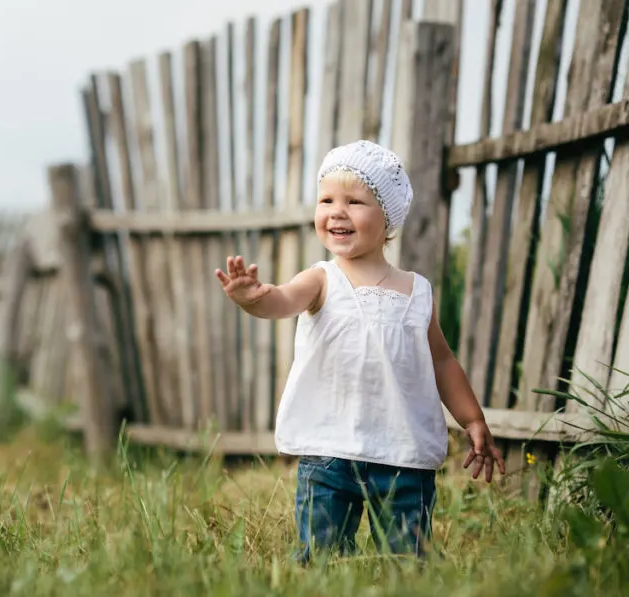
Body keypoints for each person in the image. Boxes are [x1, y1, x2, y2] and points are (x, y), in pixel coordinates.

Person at [214, 139, 505, 564]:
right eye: (327, 199)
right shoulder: (321, 279)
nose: (336, 211)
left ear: (388, 218)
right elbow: (282, 300)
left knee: (409, 561)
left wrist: (473, 419)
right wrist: (252, 298)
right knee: (320, 559)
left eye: (355, 201)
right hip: (330, 454)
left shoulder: (416, 291)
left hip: (402, 456)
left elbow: (441, 361)